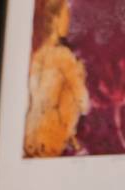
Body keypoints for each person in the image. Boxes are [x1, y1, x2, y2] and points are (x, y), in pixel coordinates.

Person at [23, 0, 90, 157]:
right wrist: (80, 74)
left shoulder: (37, 56)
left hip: (30, 140)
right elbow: (84, 104)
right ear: (55, 20)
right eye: (66, 15)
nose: (69, 20)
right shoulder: (64, 57)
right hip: (51, 141)